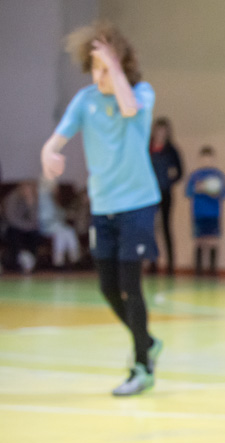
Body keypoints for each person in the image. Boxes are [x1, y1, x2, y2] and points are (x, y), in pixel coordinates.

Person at [40, 21, 163, 396]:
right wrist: (49, 153)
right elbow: (56, 139)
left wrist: (114, 65)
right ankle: (147, 341)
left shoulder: (141, 93)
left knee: (131, 286)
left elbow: (128, 108)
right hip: (103, 207)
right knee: (108, 287)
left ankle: (142, 367)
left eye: (106, 68)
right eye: (95, 68)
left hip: (137, 205)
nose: (99, 76)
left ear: (122, 66)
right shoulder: (85, 101)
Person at [185, 146, 225, 277]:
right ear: (200, 159)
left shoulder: (218, 175)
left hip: (213, 213)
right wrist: (198, 189)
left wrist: (214, 191)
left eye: (209, 159)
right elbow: (187, 192)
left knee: (213, 240)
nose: (206, 161)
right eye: (204, 159)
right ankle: (198, 272)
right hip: (198, 213)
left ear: (213, 159)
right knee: (199, 240)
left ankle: (212, 271)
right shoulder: (195, 175)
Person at [149, 117, 183, 275]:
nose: (161, 133)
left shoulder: (171, 150)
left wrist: (170, 180)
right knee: (151, 227)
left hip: (165, 192)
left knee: (165, 227)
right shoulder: (147, 148)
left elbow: (180, 172)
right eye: (158, 130)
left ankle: (170, 264)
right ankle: (152, 262)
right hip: (149, 194)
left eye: (164, 131)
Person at [37, 176, 82, 268]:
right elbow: (48, 216)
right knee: (65, 232)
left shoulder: (51, 198)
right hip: (46, 226)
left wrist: (67, 214)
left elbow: (58, 212)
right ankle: (69, 257)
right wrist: (64, 215)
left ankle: (64, 258)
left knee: (66, 232)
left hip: (55, 225)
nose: (57, 188)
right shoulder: (44, 198)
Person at [1, 182, 45, 274]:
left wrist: (31, 205)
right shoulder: (13, 198)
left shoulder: (35, 199)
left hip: (28, 228)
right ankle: (22, 260)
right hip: (13, 227)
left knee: (36, 234)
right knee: (15, 234)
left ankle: (30, 261)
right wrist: (26, 227)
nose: (27, 191)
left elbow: (36, 220)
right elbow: (11, 218)